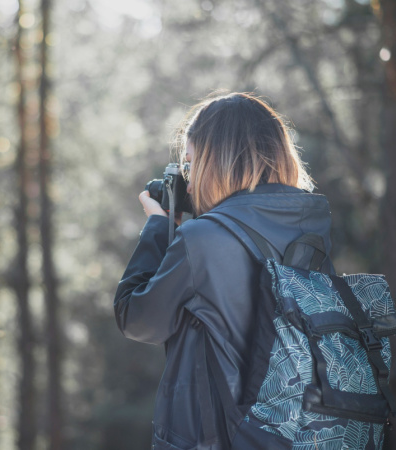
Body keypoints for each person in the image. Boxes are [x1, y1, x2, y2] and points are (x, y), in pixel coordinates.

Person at [114, 91, 333, 449]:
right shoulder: (311, 233)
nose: (189, 179)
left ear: (214, 162)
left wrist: (159, 226)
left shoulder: (202, 240)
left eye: (190, 164)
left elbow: (136, 319)